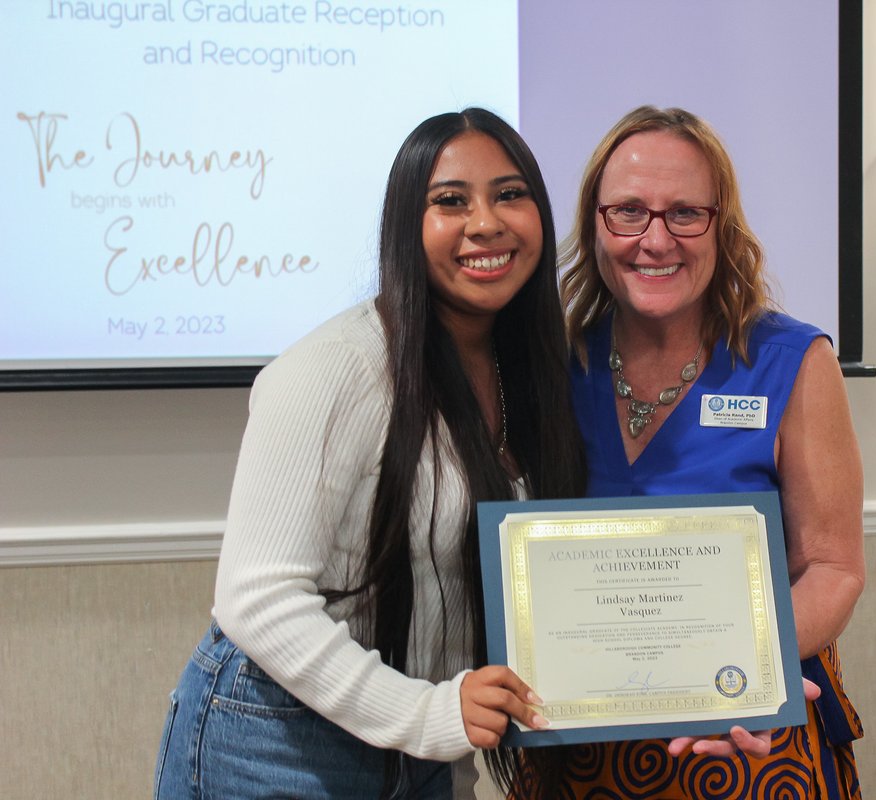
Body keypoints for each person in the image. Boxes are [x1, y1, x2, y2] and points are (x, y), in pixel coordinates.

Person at [153, 108, 587, 799]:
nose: (486, 223)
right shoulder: (335, 367)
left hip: (418, 743)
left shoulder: (531, 371)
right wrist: (427, 716)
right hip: (277, 738)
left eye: (510, 194)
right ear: (405, 227)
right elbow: (256, 599)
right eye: (450, 201)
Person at [516, 106, 866, 798]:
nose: (655, 239)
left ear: (722, 225)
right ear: (594, 225)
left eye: (684, 213)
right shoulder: (552, 368)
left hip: (748, 740)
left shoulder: (793, 362)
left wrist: (735, 665)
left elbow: (834, 567)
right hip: (584, 754)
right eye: (628, 212)